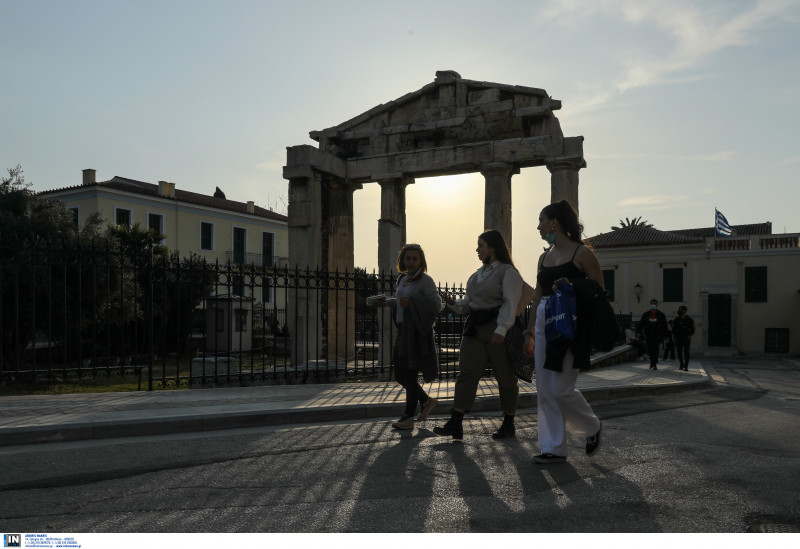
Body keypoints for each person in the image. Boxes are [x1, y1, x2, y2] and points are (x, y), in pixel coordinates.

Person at [523, 200, 603, 465]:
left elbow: (598, 290)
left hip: (570, 322)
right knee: (545, 389)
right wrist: (529, 332)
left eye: (541, 221)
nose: (538, 227)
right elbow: (536, 297)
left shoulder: (582, 253)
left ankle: (591, 427)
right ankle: (553, 448)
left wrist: (572, 284)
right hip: (544, 320)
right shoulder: (543, 257)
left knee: (560, 389)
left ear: (554, 222)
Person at [434, 229, 523, 441]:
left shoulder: (507, 271)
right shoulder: (476, 275)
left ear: (492, 247)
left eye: (481, 245)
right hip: (474, 329)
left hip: (496, 329)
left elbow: (510, 303)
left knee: (505, 378)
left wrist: (501, 328)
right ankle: (456, 421)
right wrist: (454, 303)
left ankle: (509, 423)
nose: (477, 249)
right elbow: (468, 305)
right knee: (466, 374)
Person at [373, 243, 442, 430]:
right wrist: (387, 303)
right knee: (400, 375)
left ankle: (408, 417)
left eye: (414, 258)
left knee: (410, 374)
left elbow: (437, 305)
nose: (410, 261)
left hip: (417, 333)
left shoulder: (425, 280)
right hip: (403, 331)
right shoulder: (402, 279)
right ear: (402, 260)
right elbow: (401, 302)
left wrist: (412, 303)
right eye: (407, 258)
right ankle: (427, 401)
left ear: (421, 261)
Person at [638, 299, 668, 370]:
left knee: (655, 349)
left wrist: (666, 335)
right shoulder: (645, 315)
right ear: (650, 304)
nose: (653, 305)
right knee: (650, 350)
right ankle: (652, 362)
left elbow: (665, 326)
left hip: (657, 336)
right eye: (652, 303)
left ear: (657, 305)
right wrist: (639, 332)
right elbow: (641, 324)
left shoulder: (661, 315)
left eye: (654, 303)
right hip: (648, 335)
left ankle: (654, 364)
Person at [672, 305, 695, 371]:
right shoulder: (676, 319)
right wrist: (673, 337)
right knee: (679, 352)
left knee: (686, 352)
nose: (679, 311)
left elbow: (693, 329)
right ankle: (681, 364)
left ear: (684, 311)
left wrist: (689, 336)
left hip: (686, 338)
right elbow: (673, 329)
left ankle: (686, 366)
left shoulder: (689, 319)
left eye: (680, 309)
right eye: (679, 309)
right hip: (678, 338)